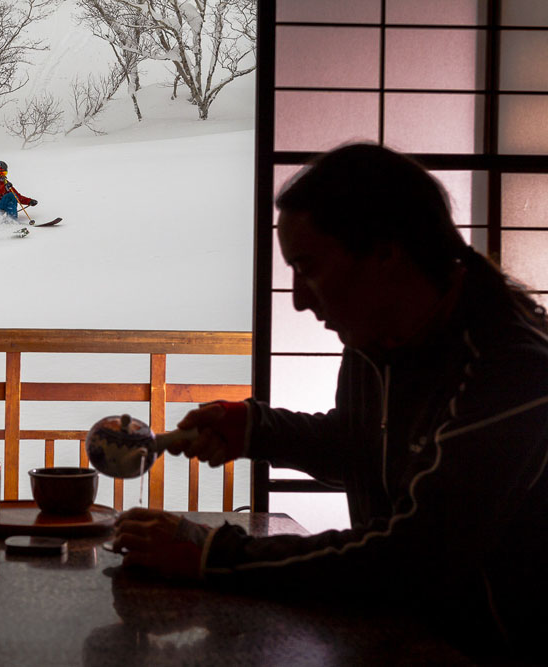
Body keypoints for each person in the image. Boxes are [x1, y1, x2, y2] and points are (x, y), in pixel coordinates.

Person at [112, 143, 548, 658]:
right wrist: (254, 429)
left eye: (308, 267)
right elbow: (361, 449)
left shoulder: (513, 368)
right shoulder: (376, 339)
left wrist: (213, 553)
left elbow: (413, 555)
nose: (297, 297)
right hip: (401, 632)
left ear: (386, 253)